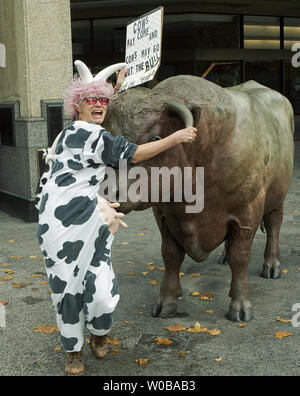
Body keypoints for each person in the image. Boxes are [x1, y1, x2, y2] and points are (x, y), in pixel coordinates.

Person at [36, 60, 197, 376]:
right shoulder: (85, 135)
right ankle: (73, 351)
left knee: (101, 287)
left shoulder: (80, 129)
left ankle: (99, 330)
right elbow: (133, 154)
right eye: (90, 100)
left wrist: (116, 87)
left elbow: (96, 113)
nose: (98, 105)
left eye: (103, 101)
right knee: (67, 289)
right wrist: (176, 138)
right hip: (59, 225)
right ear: (76, 106)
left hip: (94, 219)